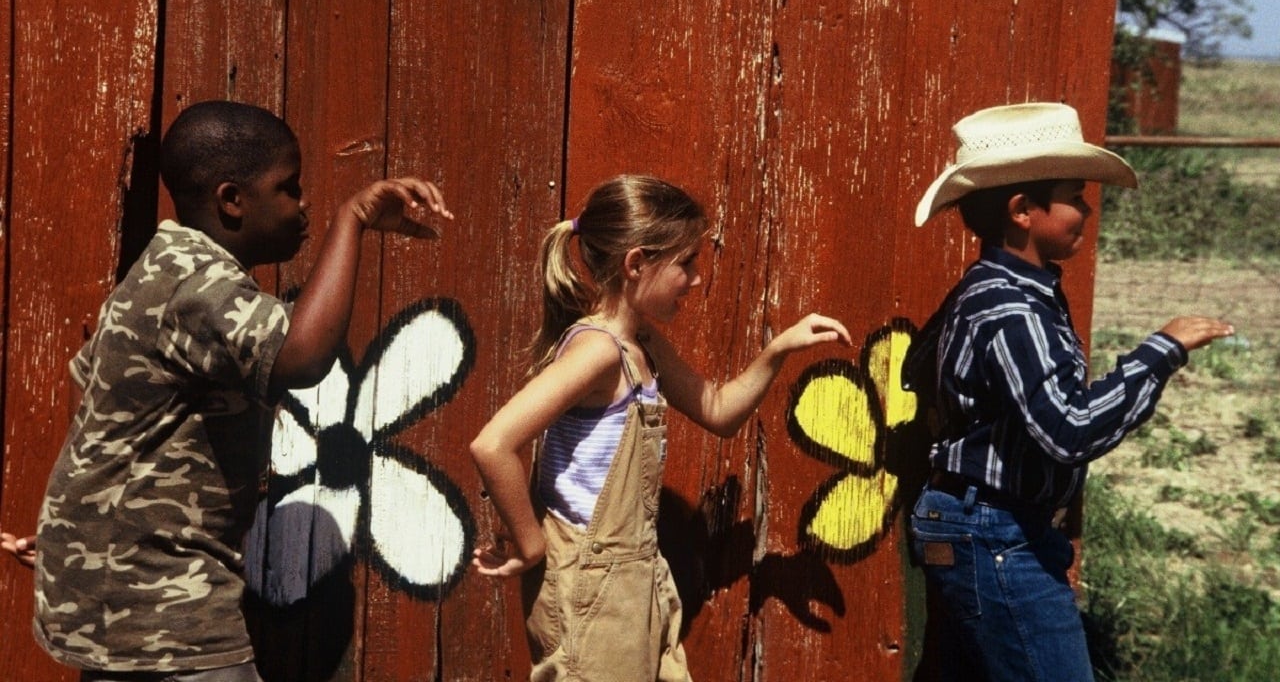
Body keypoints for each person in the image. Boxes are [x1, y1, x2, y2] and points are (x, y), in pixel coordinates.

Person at [31, 100, 452, 682]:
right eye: (289, 188)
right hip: (156, 592)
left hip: (119, 580)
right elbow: (300, 357)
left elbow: (87, 387)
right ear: (232, 200)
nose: (302, 204)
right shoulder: (193, 281)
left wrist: (86, 511)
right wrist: (351, 220)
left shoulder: (167, 264)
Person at [469, 174, 850, 681]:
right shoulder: (599, 351)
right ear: (636, 264)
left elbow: (718, 410)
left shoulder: (640, 344)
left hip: (639, 580)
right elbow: (493, 444)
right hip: (591, 591)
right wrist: (529, 543)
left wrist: (779, 348)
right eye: (685, 263)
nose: (695, 278)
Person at [907, 102, 1234, 682]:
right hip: (996, 532)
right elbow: (1069, 429)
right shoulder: (1012, 309)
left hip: (987, 526)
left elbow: (931, 371)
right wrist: (1162, 350)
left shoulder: (998, 290)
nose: (1086, 210)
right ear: (1022, 211)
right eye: (1074, 197)